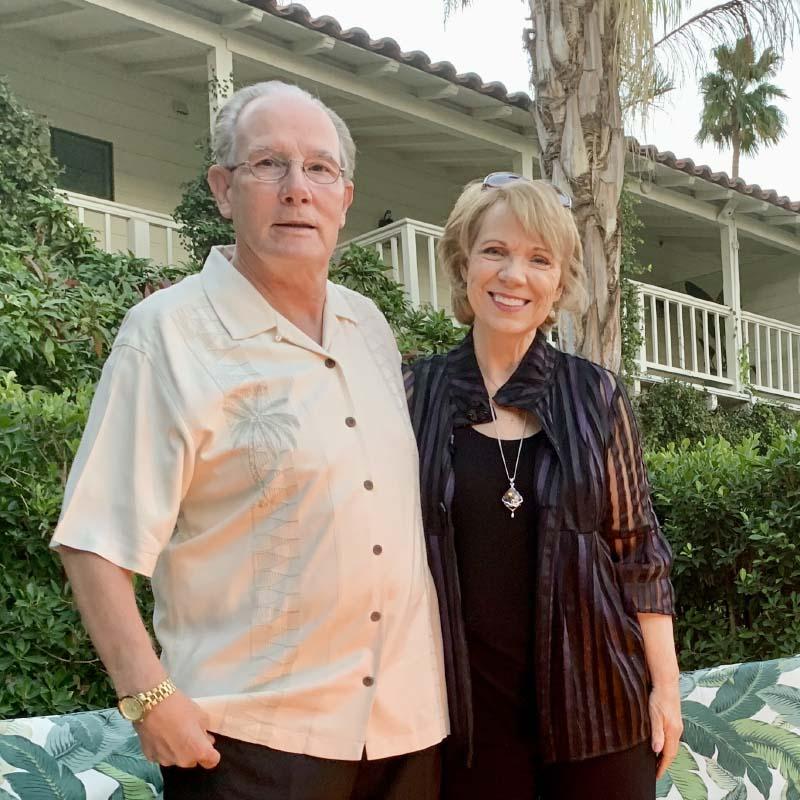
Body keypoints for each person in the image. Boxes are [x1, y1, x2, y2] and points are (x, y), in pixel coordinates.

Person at [50, 81, 448, 800]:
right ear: (224, 188)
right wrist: (148, 696)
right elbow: (94, 539)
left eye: (319, 169)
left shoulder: (371, 330)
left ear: (345, 196)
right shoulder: (168, 336)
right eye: (268, 164)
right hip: (252, 746)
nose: (298, 189)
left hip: (406, 731)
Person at [405, 174, 682, 800]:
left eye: (538, 259)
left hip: (599, 715)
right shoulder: (412, 396)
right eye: (495, 251)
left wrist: (665, 689)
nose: (513, 276)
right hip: (462, 725)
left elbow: (638, 548)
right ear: (463, 261)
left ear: (558, 283)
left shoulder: (596, 396)